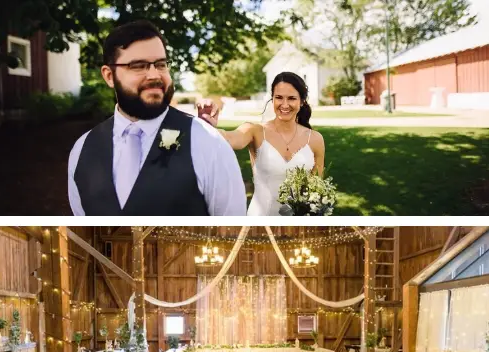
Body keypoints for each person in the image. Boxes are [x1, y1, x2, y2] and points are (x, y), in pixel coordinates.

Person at [67, 20, 246, 216]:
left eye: (161, 64)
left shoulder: (207, 142)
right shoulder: (82, 150)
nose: (154, 75)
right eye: (138, 65)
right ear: (109, 76)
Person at [198, 72, 326, 216]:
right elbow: (230, 138)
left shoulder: (315, 139)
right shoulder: (255, 131)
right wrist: (207, 125)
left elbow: (317, 190)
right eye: (279, 97)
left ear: (302, 101)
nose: (284, 104)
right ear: (272, 99)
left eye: (291, 98)